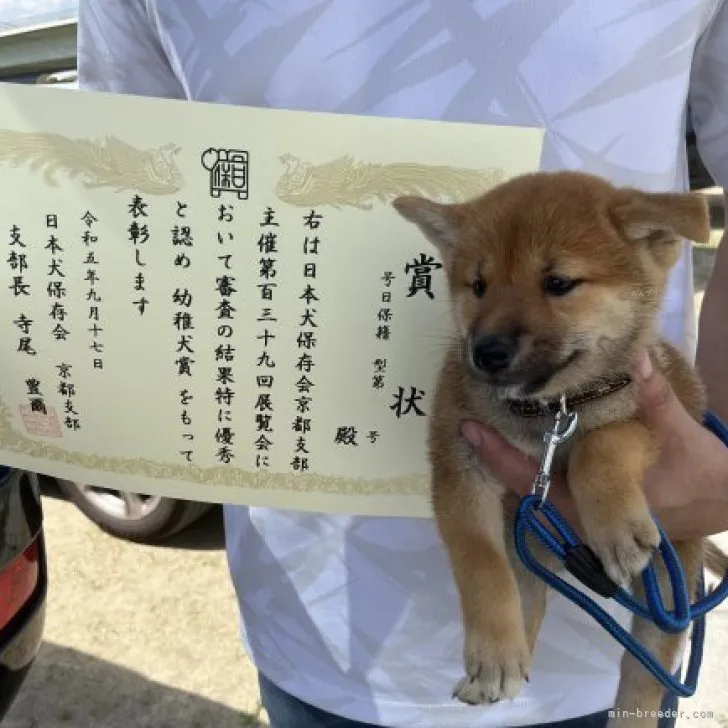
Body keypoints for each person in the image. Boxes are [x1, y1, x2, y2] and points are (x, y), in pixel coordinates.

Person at [77, 2, 728, 726]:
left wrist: (718, 463)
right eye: (476, 288)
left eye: (558, 286)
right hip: (316, 627)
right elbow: (123, 190)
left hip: (603, 660)